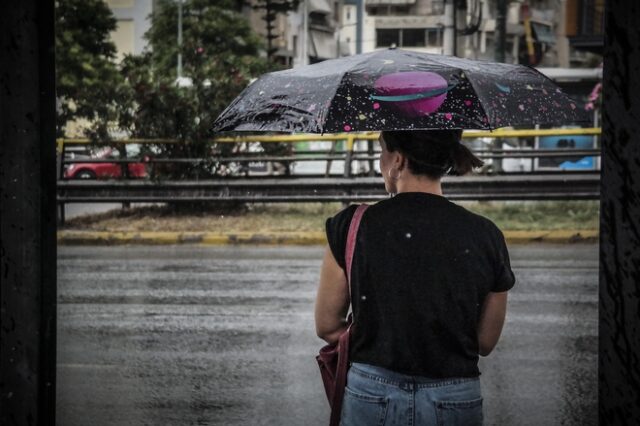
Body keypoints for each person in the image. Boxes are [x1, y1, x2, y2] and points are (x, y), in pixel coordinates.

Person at [315, 129, 515, 426]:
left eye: (382, 151)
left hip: (371, 394)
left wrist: (384, 338)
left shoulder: (351, 225)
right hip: (454, 396)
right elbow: (485, 341)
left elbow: (328, 326)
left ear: (397, 160)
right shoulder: (486, 234)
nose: (380, 161)